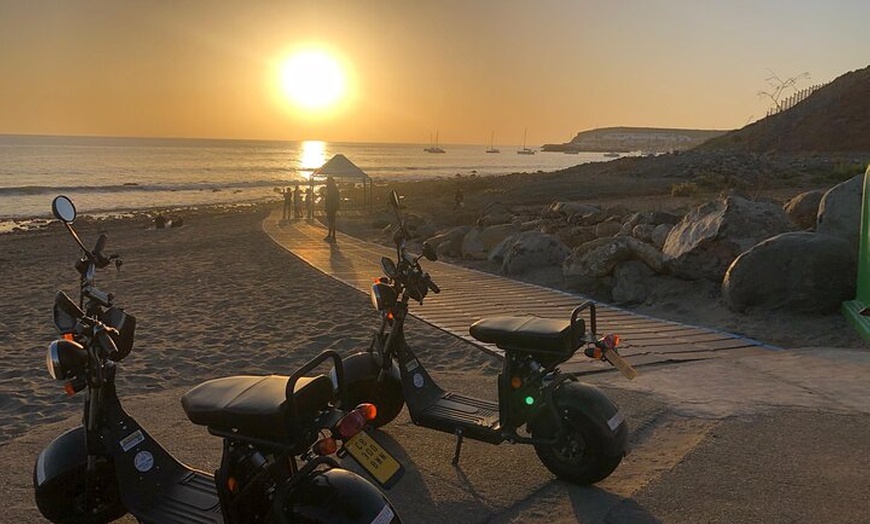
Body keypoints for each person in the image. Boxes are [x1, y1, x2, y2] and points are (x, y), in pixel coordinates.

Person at [324, 176, 340, 241]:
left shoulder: (332, 189)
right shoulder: (333, 189)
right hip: (331, 206)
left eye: (327, 181)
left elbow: (330, 198)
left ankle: (332, 234)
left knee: (331, 220)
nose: (327, 182)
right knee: (331, 220)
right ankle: (331, 234)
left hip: (331, 206)